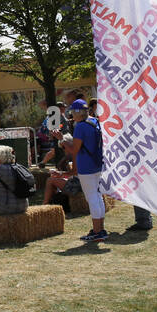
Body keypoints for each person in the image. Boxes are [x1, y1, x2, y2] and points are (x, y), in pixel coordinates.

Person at [55, 99, 107, 241]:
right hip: (97, 163)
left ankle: (97, 231)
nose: (71, 114)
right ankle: (100, 229)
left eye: (72, 111)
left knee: (92, 198)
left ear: (78, 112)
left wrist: (61, 139)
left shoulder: (80, 127)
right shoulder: (95, 122)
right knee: (97, 196)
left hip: (87, 166)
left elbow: (74, 150)